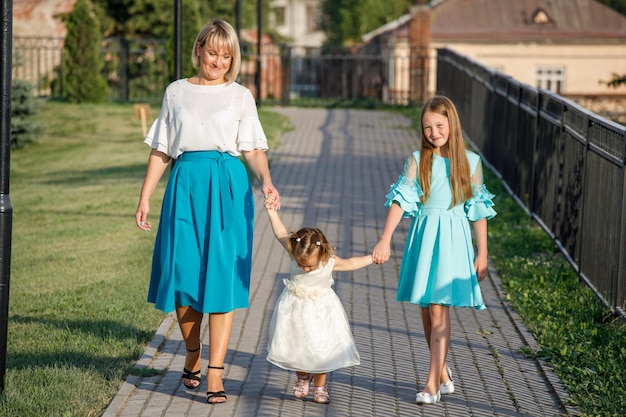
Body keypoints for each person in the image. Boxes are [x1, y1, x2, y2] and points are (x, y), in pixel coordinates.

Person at [134, 19, 281, 405]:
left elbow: (251, 147)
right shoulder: (176, 92)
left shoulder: (240, 95)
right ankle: (193, 351)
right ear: (199, 49)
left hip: (228, 185)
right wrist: (145, 196)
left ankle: (215, 372)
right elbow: (162, 148)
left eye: (225, 54)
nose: (217, 60)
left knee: (221, 278)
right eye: (212, 52)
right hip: (185, 185)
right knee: (182, 277)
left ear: (232, 58)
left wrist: (265, 179)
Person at [372, 95, 496, 405]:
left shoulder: (471, 162)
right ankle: (442, 372)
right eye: (427, 127)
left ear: (451, 123)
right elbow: (402, 200)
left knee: (439, 308)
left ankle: (431, 384)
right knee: (427, 307)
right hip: (424, 237)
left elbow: (477, 210)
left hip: (453, 238)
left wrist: (482, 253)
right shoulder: (418, 159)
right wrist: (385, 238)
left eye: (439, 125)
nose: (434, 132)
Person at [263, 195, 371, 404]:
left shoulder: (328, 261)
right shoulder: (294, 249)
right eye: (301, 265)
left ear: (321, 253)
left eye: (309, 266)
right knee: (297, 344)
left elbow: (350, 263)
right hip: (295, 310)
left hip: (322, 311)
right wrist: (270, 210)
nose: (305, 269)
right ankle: (303, 376)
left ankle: (320, 386)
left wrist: (372, 258)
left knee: (322, 347)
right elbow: (280, 232)